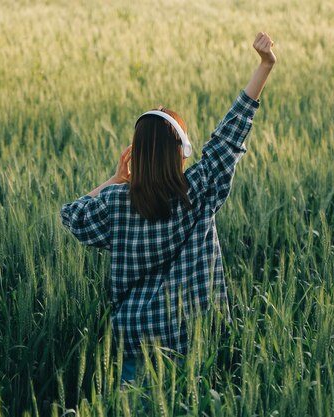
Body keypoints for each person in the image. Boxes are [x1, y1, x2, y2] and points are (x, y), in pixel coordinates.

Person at [60, 32, 276, 383]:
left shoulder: (115, 204)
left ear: (138, 154)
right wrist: (264, 66)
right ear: (180, 152)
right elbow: (230, 134)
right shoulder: (200, 189)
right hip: (193, 343)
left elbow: (72, 215)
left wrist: (114, 181)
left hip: (133, 343)